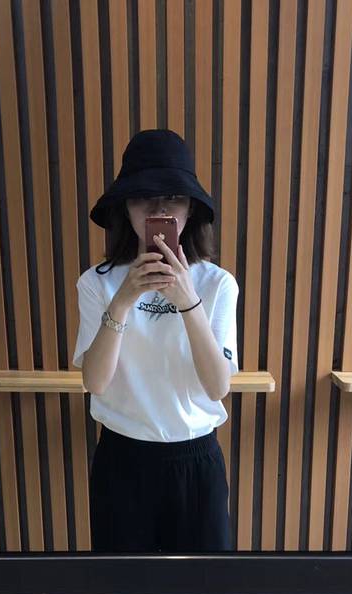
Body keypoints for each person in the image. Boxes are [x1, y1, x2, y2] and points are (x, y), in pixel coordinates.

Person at [72, 129, 239, 553]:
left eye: (173, 198)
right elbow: (95, 381)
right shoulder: (97, 283)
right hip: (122, 461)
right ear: (125, 208)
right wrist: (124, 299)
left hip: (196, 461)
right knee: (121, 585)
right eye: (144, 197)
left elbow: (217, 386)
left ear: (190, 210)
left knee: (204, 585)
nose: (160, 210)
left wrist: (187, 300)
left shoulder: (217, 284)